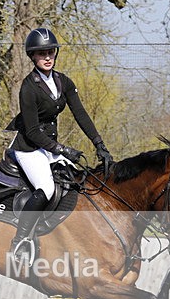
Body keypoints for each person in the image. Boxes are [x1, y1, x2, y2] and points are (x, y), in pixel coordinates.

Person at [6, 27, 113, 263]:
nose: (47, 57)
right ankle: (20, 241)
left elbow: (81, 114)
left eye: (51, 52)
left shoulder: (63, 81)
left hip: (48, 147)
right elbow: (33, 131)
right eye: (41, 53)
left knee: (75, 181)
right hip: (28, 147)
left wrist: (99, 144)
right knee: (46, 188)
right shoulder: (28, 87)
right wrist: (63, 150)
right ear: (32, 56)